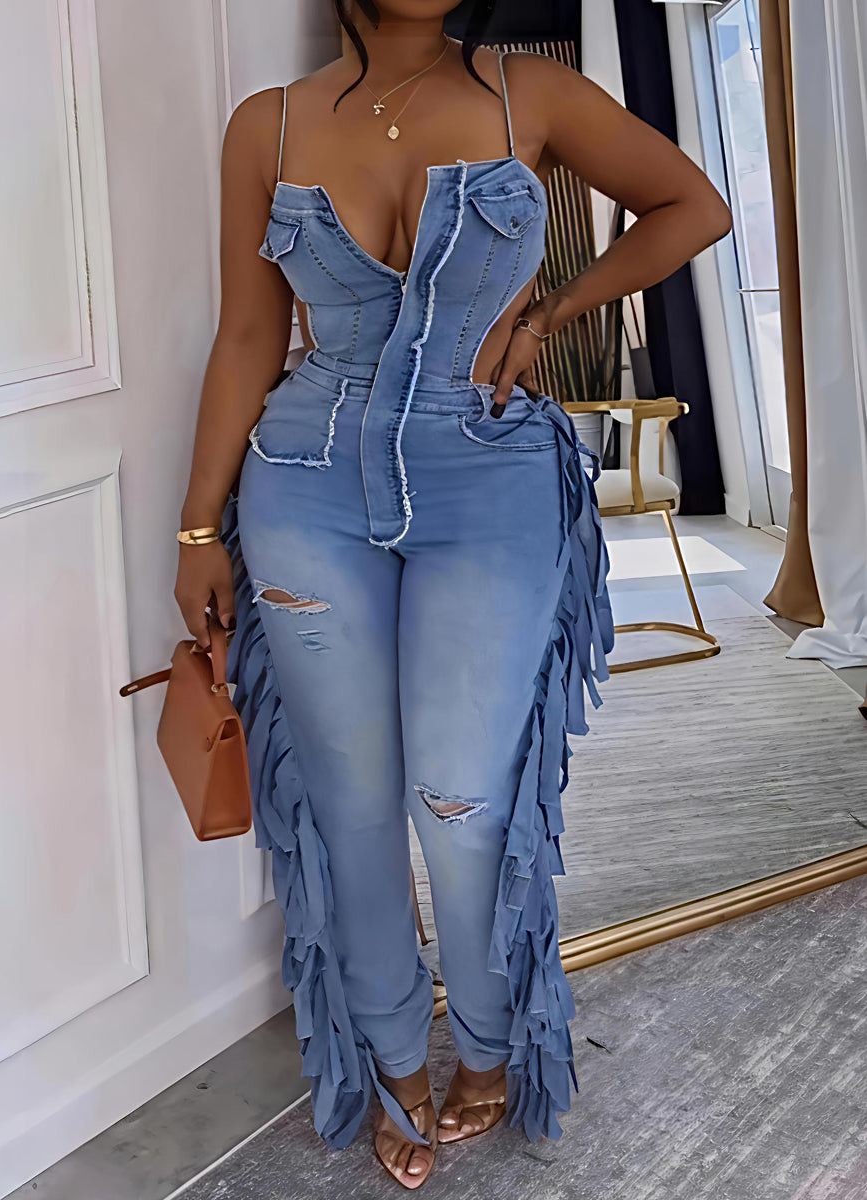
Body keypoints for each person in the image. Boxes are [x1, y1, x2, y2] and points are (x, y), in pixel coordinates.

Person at [173, 0, 732, 1188]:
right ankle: (390, 1061)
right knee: (351, 806)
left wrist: (553, 312)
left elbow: (694, 206)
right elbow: (247, 337)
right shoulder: (266, 126)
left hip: (491, 478)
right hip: (304, 485)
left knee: (462, 798)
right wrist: (198, 526)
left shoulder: (533, 92)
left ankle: (486, 1041)